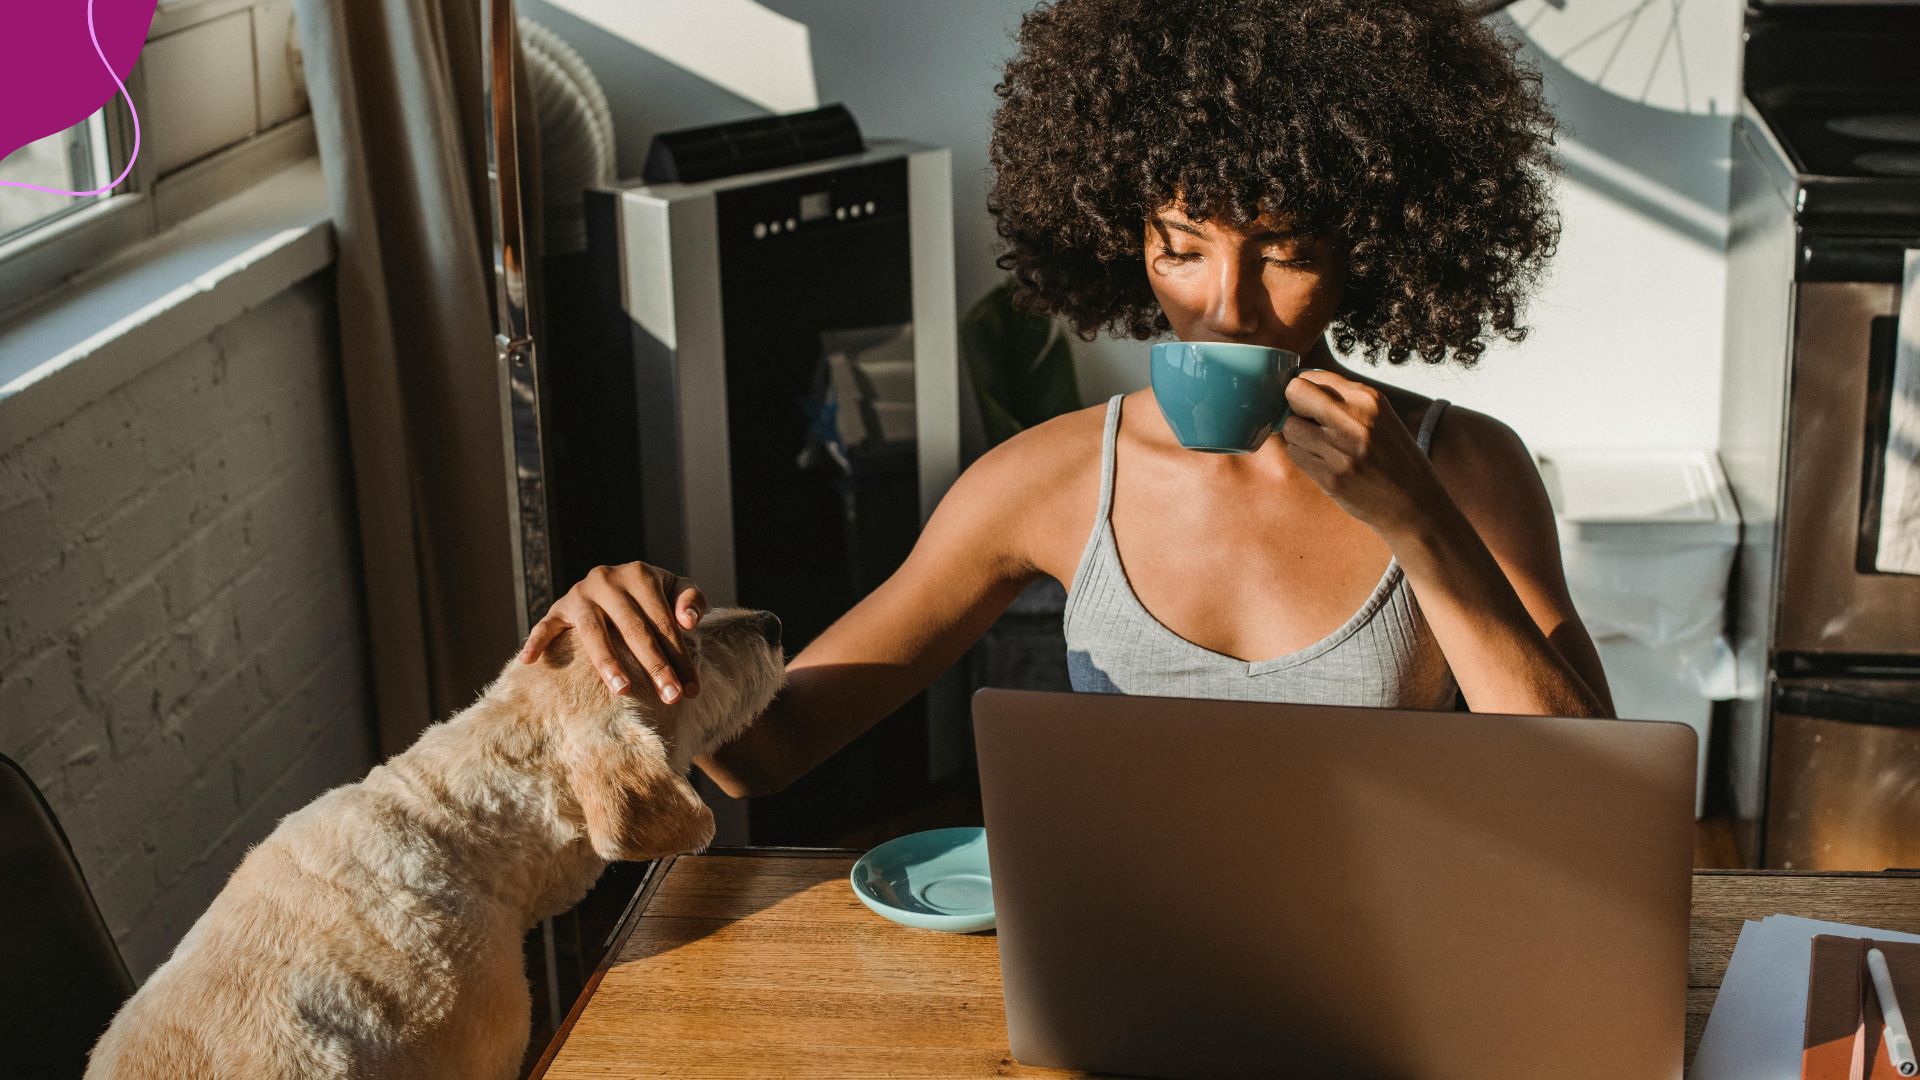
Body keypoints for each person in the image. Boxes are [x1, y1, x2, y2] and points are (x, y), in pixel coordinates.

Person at [518, 0, 1614, 800]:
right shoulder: (1046, 481)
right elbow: (771, 751)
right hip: (1124, 952)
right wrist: (646, 643)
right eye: (1180, 248)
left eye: (1284, 251)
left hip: (1392, 953)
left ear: (1370, 250)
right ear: (1122, 236)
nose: (1225, 307)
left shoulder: (1461, 466)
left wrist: (1420, 523)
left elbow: (1590, 789)